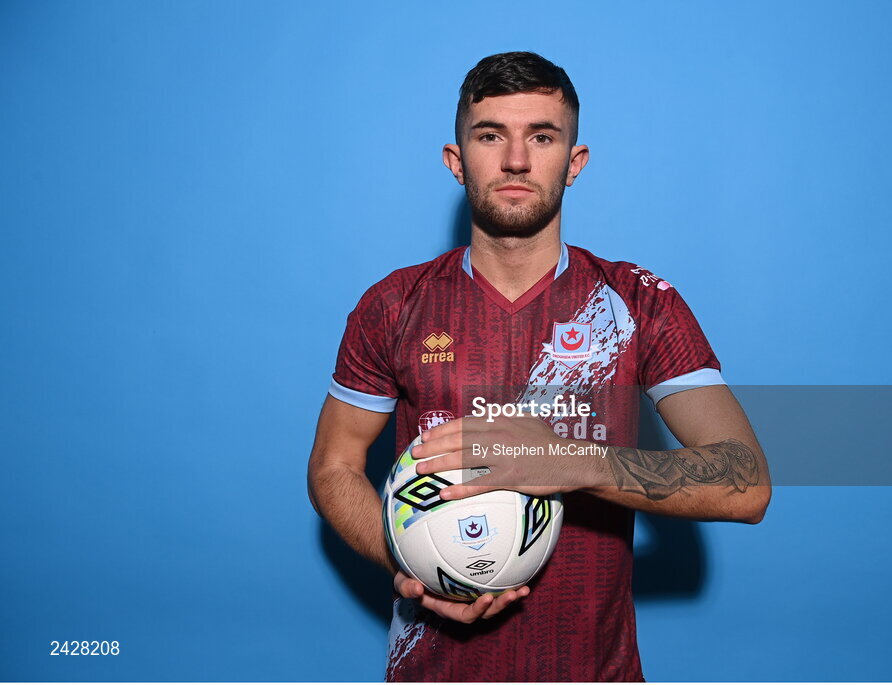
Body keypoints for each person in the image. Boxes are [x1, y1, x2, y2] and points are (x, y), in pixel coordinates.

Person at [307, 51, 771, 682]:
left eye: (542, 137)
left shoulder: (637, 302)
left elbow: (746, 483)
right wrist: (408, 558)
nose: (516, 159)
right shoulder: (394, 304)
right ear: (457, 160)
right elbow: (333, 467)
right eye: (490, 135)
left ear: (573, 163)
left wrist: (569, 462)